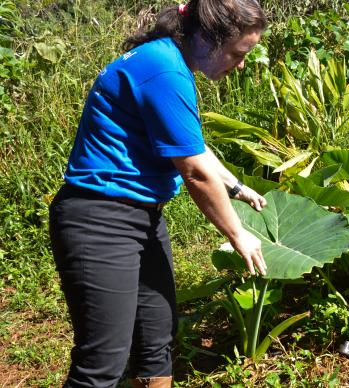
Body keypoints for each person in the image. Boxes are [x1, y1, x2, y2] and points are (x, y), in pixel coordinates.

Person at [49, 1, 268, 387]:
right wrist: (239, 235)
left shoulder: (167, 61)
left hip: (141, 217)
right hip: (100, 221)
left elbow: (191, 147)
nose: (241, 63)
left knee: (155, 342)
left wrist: (235, 186)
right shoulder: (163, 68)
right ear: (207, 37)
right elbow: (195, 173)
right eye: (238, 53)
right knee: (100, 365)